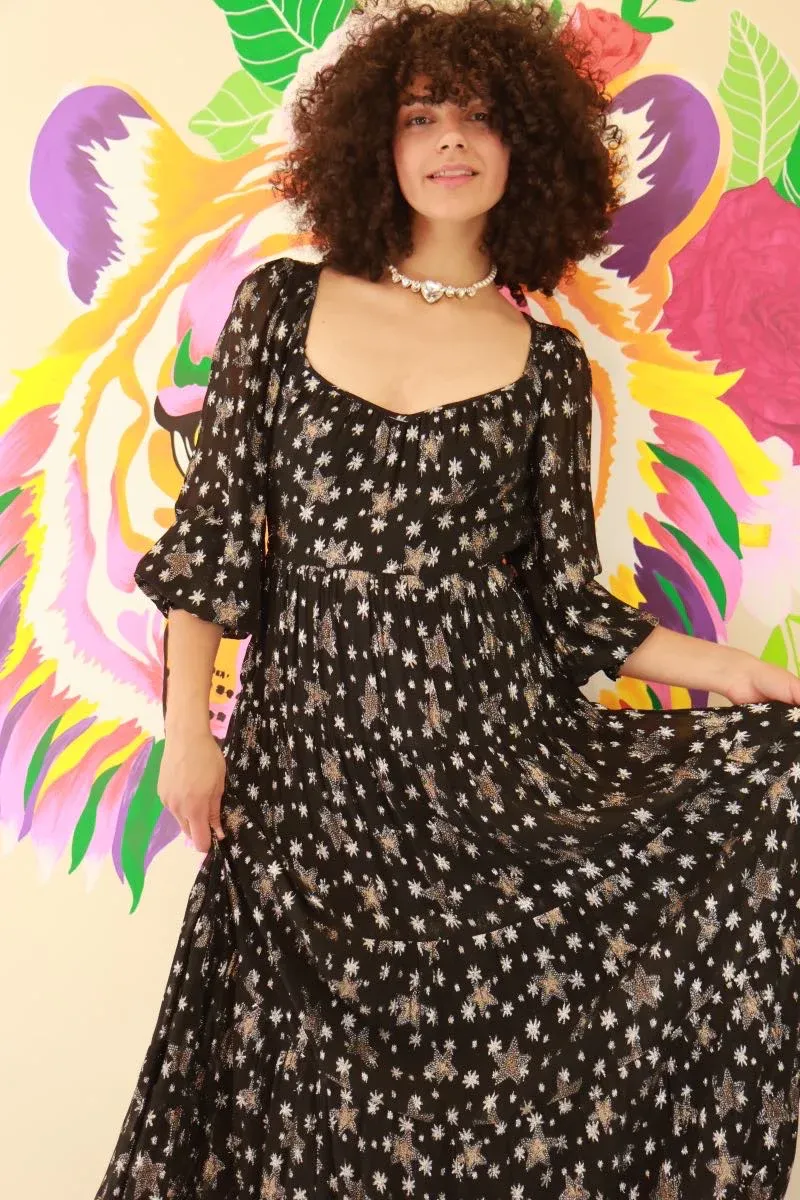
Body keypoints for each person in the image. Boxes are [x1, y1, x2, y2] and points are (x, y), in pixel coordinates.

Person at [94, 1, 800, 1196]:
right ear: (377, 143)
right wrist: (188, 739)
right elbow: (210, 549)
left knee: (475, 1084)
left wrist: (732, 673)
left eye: (478, 117)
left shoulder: (547, 369)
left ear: (528, 148)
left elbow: (568, 610)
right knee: (292, 1085)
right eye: (421, 116)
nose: (450, 140)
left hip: (488, 765)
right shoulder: (278, 307)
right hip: (307, 764)